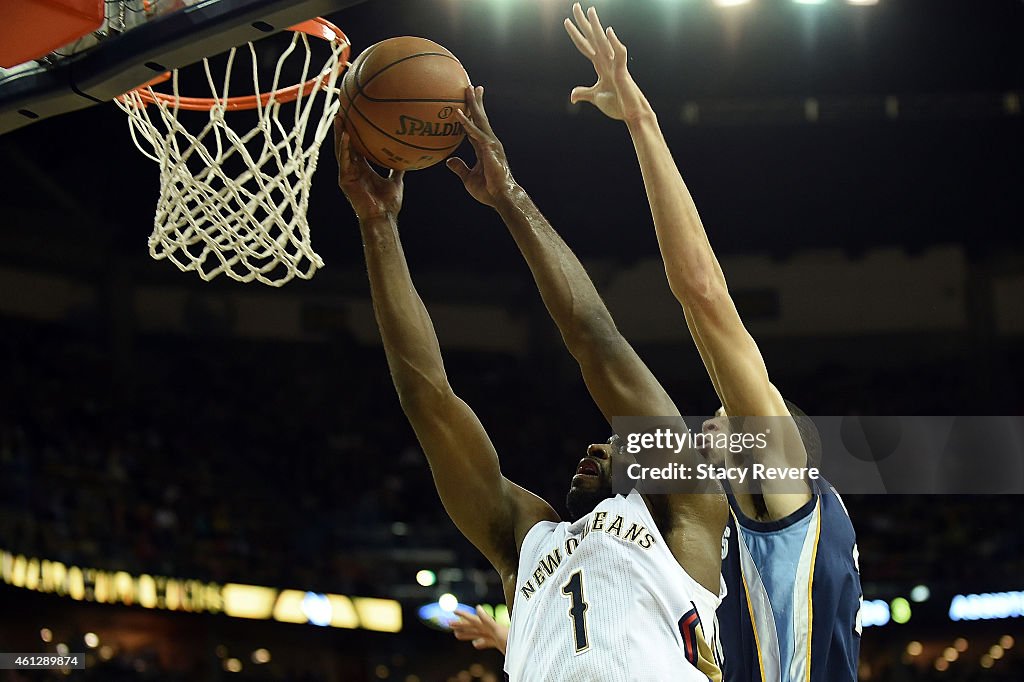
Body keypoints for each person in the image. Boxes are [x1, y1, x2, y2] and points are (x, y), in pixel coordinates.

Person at [336, 82, 726, 681]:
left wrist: (509, 195)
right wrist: (378, 224)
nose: (596, 445)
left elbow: (595, 340)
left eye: (618, 441)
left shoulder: (684, 508)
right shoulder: (525, 541)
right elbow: (429, 401)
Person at [563, 4, 863, 681]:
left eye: (731, 419)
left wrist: (643, 121)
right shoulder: (774, 544)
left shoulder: (782, 490)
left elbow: (702, 292)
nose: (714, 421)